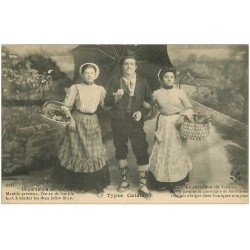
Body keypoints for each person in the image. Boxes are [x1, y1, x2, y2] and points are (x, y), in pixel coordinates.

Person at [52, 63, 110, 196]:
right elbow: (66, 106)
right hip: (77, 121)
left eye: (92, 73)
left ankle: (96, 185)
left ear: (96, 74)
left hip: (93, 122)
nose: (89, 75)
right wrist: (70, 119)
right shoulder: (75, 87)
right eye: (87, 73)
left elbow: (106, 107)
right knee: (76, 151)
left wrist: (116, 99)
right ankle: (77, 184)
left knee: (93, 153)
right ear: (82, 74)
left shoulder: (100, 89)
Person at [104, 50, 153, 197]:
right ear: (122, 66)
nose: (129, 66)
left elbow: (149, 100)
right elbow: (106, 102)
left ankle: (143, 185)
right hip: (118, 121)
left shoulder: (143, 81)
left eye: (132, 64)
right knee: (120, 149)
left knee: (141, 148)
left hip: (136, 122)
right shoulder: (115, 81)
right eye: (126, 64)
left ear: (136, 66)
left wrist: (141, 113)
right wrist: (115, 98)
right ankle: (124, 181)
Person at [148, 67, 193, 197]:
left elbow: (189, 108)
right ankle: (162, 181)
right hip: (162, 123)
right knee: (161, 150)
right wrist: (146, 107)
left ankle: (176, 182)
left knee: (176, 151)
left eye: (171, 77)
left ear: (174, 78)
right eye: (166, 77)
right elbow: (149, 110)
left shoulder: (180, 92)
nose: (169, 79)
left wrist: (183, 116)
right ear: (161, 79)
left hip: (176, 123)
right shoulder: (156, 93)